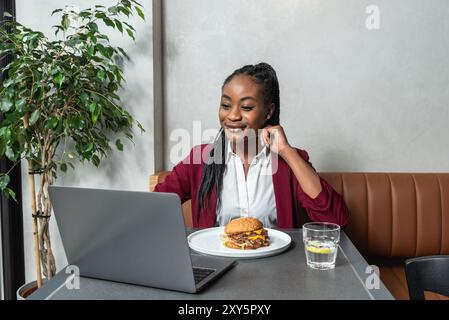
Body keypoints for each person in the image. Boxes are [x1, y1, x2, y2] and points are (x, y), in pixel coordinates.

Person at [154, 62, 348, 228]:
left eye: (246, 107)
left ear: (269, 111)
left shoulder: (289, 162)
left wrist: (287, 152)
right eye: (226, 105)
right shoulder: (200, 159)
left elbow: (334, 221)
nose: (233, 116)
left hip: (277, 269)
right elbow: (152, 208)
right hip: (218, 269)